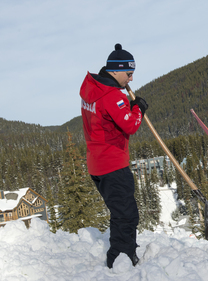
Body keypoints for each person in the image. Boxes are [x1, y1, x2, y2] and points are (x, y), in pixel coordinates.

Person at [80, 43, 148, 268]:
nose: (130, 79)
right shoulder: (111, 95)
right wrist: (138, 108)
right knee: (127, 215)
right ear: (116, 70)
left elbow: (107, 119)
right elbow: (130, 125)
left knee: (121, 212)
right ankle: (121, 259)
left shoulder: (93, 89)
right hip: (112, 164)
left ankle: (123, 251)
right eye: (129, 74)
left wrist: (130, 106)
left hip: (97, 163)